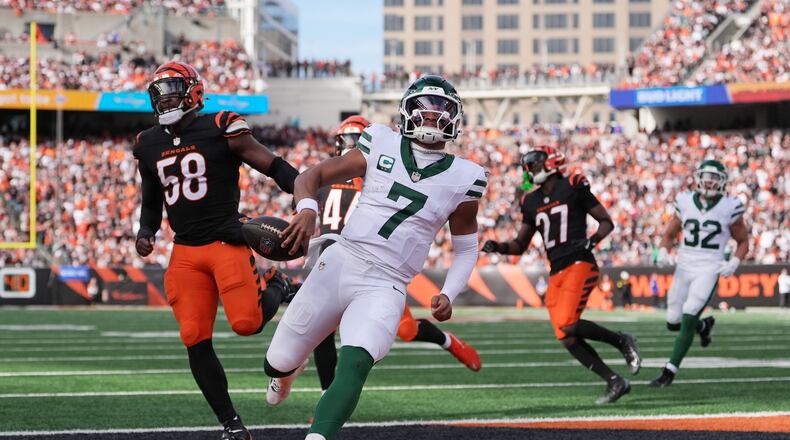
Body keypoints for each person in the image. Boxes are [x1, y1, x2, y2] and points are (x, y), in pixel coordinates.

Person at [265, 76, 486, 440]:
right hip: (341, 260)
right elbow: (312, 175)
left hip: (387, 282)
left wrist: (450, 291)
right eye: (424, 108)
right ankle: (285, 373)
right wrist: (306, 209)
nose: (431, 116)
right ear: (407, 111)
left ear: (455, 118)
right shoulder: (380, 140)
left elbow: (465, 246)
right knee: (275, 362)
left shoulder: (466, 177)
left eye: (441, 109)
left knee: (356, 360)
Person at [133, 61, 300, 440]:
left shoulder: (222, 125)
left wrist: (301, 191)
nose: (166, 98)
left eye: (173, 89)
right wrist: (146, 231)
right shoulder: (148, 144)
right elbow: (151, 198)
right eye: (159, 92)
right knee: (193, 335)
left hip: (227, 239)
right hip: (186, 252)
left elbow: (271, 164)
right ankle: (232, 425)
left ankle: (278, 283)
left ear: (193, 91)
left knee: (247, 324)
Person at [481, 146, 641, 405]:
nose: (530, 167)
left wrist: (593, 241)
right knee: (565, 336)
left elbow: (606, 222)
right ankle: (614, 381)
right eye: (528, 164)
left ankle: (622, 339)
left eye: (535, 162)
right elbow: (520, 246)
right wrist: (498, 246)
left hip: (580, 262)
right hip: (556, 271)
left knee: (568, 323)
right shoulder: (530, 201)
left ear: (551, 162)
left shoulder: (573, 184)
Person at [652, 159, 750, 387]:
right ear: (697, 177)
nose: (710, 181)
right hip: (684, 266)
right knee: (673, 321)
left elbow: (743, 240)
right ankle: (703, 327)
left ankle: (669, 371)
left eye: (715, 177)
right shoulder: (685, 201)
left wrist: (734, 261)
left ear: (723, 182)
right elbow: (668, 234)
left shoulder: (730, 205)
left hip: (709, 267)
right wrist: (664, 251)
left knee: (688, 315)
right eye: (707, 176)